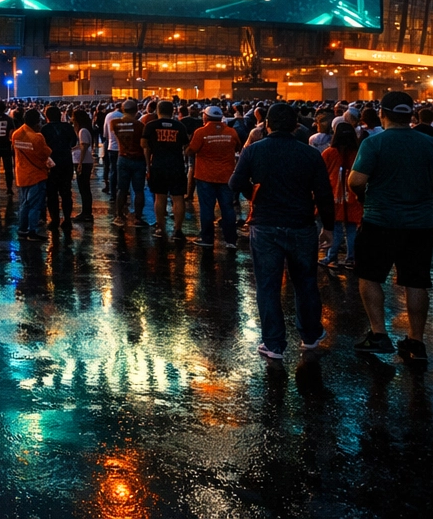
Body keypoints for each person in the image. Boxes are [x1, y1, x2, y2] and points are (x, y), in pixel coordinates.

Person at [347, 91, 433, 363]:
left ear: (383, 113)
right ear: (411, 115)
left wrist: (365, 197)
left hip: (379, 221)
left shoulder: (374, 143)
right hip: (420, 224)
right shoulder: (430, 144)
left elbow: (356, 180)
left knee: (370, 277)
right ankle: (416, 342)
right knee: (416, 282)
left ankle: (379, 334)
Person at [229, 102, 334, 361]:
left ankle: (274, 344)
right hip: (301, 225)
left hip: (264, 225)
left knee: (268, 285)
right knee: (306, 283)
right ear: (296, 126)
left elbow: (235, 183)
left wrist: (253, 193)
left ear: (266, 125)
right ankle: (310, 335)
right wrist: (329, 228)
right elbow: (324, 194)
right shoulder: (310, 154)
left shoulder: (253, 151)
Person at [188, 105, 241, 248]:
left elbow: (191, 150)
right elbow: (238, 147)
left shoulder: (200, 132)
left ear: (205, 117)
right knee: (228, 208)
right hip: (226, 176)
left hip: (205, 176)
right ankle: (231, 240)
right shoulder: (231, 132)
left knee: (207, 209)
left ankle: (207, 239)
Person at [142, 101, 190, 239]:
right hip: (176, 165)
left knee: (160, 197)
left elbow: (144, 145)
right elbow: (186, 147)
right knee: (178, 198)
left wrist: (148, 165)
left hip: (158, 164)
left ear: (158, 110)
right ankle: (178, 230)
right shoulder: (179, 126)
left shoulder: (150, 126)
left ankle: (161, 228)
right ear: (173, 111)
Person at [321, 122, 362, 269]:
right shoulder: (358, 153)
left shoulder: (328, 153)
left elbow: (322, 174)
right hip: (353, 196)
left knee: (335, 229)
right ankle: (351, 258)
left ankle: (331, 258)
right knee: (351, 229)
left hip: (333, 196)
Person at [12, 109, 52, 240]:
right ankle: (32, 231)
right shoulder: (37, 138)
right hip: (36, 175)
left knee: (24, 203)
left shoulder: (16, 134)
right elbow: (46, 153)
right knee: (35, 205)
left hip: (21, 174)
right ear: (36, 123)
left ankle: (22, 229)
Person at [40, 106, 78, 229]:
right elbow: (73, 142)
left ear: (47, 116)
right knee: (66, 192)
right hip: (66, 162)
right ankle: (67, 219)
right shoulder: (67, 127)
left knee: (52, 193)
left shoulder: (44, 129)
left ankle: (54, 220)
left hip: (51, 164)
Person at [111, 102, 147, 228]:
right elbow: (144, 144)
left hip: (122, 158)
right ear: (136, 110)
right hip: (138, 159)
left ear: (122, 109)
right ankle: (138, 218)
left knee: (121, 189)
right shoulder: (140, 125)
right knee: (138, 190)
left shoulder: (114, 123)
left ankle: (119, 216)